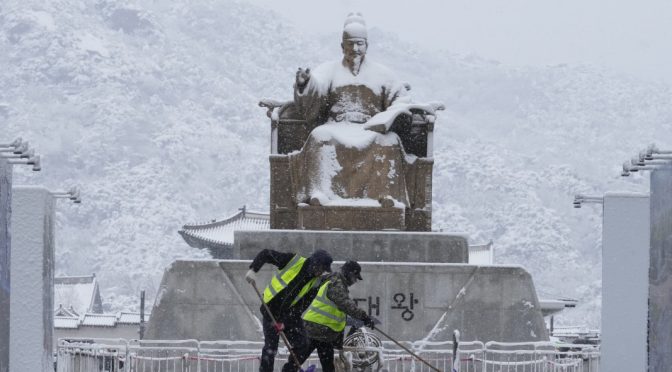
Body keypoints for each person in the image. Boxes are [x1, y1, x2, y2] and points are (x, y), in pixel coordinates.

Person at [246, 249, 334, 372]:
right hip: (270, 309)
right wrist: (253, 270)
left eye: (323, 271)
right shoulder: (293, 261)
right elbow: (266, 253)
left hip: (290, 314)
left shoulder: (316, 282)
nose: (320, 273)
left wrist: (284, 322)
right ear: (315, 263)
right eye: (320, 268)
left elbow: (303, 305)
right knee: (271, 349)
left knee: (303, 344)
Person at [281, 260, 376, 372]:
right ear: (348, 273)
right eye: (355, 277)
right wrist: (364, 317)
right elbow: (345, 304)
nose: (355, 281)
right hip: (315, 329)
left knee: (325, 366)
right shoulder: (336, 283)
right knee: (296, 362)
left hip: (324, 334)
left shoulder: (337, 283)